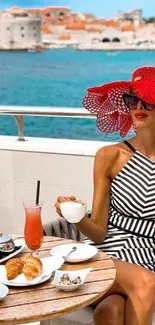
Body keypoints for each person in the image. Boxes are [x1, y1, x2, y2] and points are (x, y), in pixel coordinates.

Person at [54, 66, 155, 325]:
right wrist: (74, 216)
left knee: (109, 311)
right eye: (132, 99)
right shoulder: (109, 156)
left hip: (148, 252)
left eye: (149, 100)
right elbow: (98, 231)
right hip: (106, 248)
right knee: (146, 283)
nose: (138, 106)